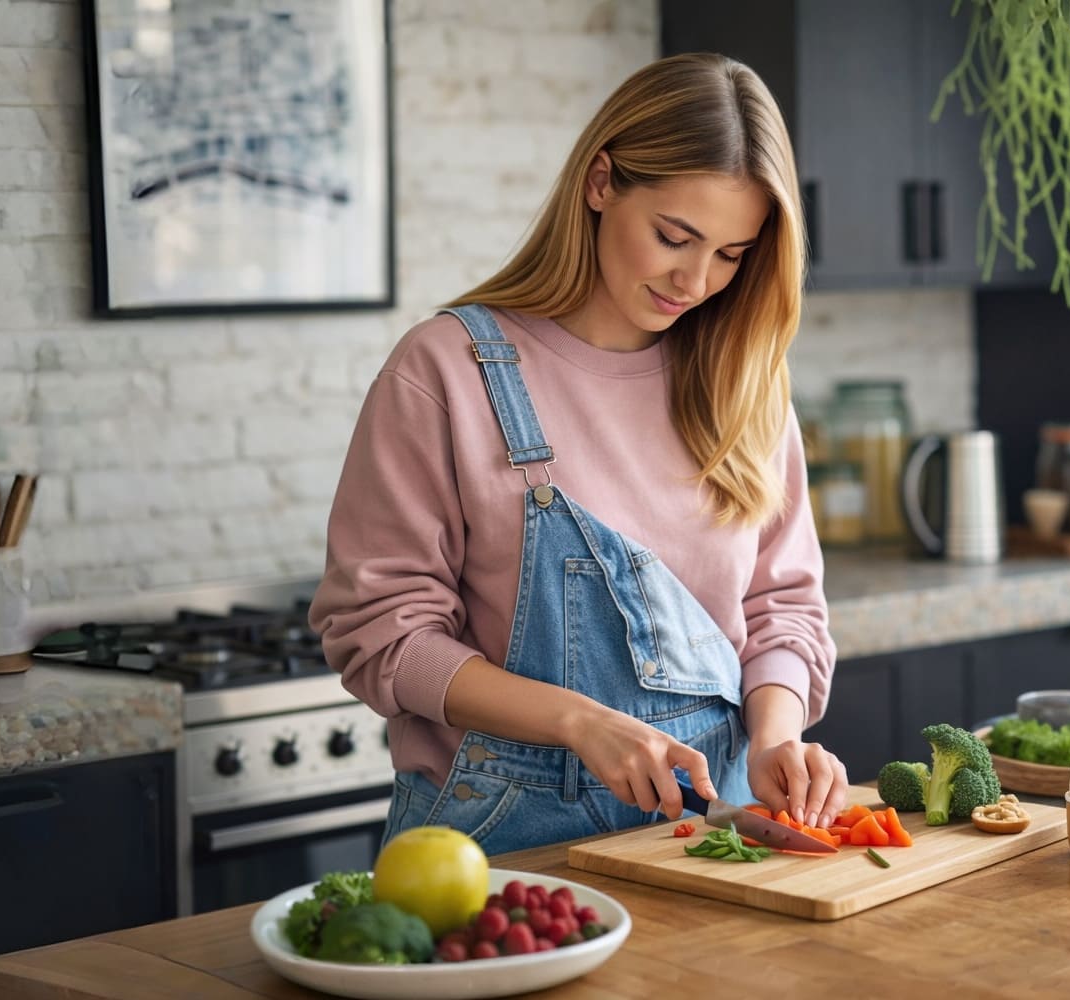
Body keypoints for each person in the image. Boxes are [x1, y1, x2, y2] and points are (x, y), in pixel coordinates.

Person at [309, 53, 843, 855]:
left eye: (732, 254)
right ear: (600, 182)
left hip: (716, 838)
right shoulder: (446, 371)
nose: (696, 280)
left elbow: (782, 612)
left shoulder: (747, 383)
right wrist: (579, 723)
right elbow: (382, 637)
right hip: (496, 849)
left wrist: (774, 739)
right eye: (675, 236)